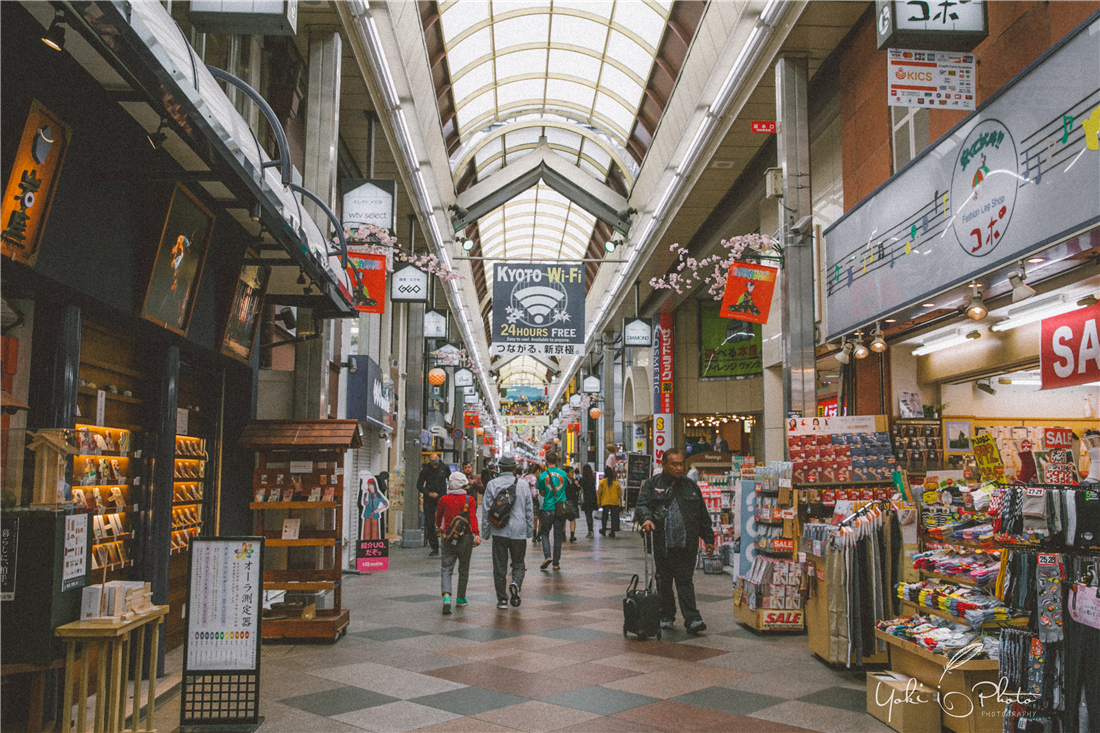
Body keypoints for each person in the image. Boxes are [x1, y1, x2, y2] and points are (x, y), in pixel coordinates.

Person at [636, 449, 716, 635]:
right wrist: (646, 519)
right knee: (664, 581)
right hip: (663, 544)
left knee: (684, 580)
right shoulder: (652, 485)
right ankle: (666, 615)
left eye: (681, 464)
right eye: (674, 464)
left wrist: (709, 538)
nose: (679, 468)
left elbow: (702, 514)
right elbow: (642, 504)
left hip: (686, 545)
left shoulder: (690, 486)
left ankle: (693, 618)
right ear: (664, 465)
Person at [481, 453, 534, 610]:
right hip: (518, 531)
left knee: (499, 565)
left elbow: (486, 511)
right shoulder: (523, 485)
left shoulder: (492, 484)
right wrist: (529, 531)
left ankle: (502, 600)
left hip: (499, 530)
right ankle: (516, 583)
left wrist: (485, 532)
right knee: (518, 562)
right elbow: (529, 510)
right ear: (514, 468)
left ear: (500, 467)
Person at [435, 472, 480, 615]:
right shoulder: (470, 500)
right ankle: (460, 598)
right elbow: (472, 518)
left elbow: (438, 518)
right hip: (466, 538)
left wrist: (441, 529)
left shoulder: (443, 499)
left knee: (446, 567)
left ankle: (446, 596)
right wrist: (477, 534)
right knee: (463, 568)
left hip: (448, 537)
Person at [536, 453, 568, 571]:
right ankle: (556, 563)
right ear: (557, 460)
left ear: (546, 461)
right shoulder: (563, 474)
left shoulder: (543, 476)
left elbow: (542, 493)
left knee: (544, 533)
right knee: (558, 536)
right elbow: (564, 488)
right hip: (560, 508)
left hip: (548, 508)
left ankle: (547, 556)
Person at [417, 454, 451, 556]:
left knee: (446, 520)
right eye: (431, 462)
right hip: (429, 498)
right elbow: (419, 485)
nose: (433, 463)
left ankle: (447, 544)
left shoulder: (444, 467)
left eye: (435, 461)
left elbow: (450, 479)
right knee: (430, 522)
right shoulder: (426, 469)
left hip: (442, 497)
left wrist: (451, 490)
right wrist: (428, 493)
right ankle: (434, 547)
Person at [597, 466, 622, 537]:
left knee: (604, 516)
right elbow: (620, 494)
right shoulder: (616, 483)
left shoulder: (602, 482)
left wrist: (599, 503)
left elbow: (599, 493)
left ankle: (604, 529)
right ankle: (613, 531)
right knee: (614, 517)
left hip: (605, 502)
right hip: (614, 502)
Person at [580, 464, 598, 539]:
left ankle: (590, 530)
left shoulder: (583, 479)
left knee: (588, 515)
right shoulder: (592, 479)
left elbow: (580, 488)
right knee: (590, 515)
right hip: (592, 499)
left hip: (586, 499)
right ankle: (591, 530)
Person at [564, 465, 580, 542]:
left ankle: (572, 535)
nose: (573, 474)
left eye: (573, 472)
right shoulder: (564, 481)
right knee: (563, 519)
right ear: (567, 473)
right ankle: (563, 535)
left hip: (573, 501)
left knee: (572, 519)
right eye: (571, 472)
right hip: (565, 501)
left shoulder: (574, 481)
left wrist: (577, 485)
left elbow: (578, 490)